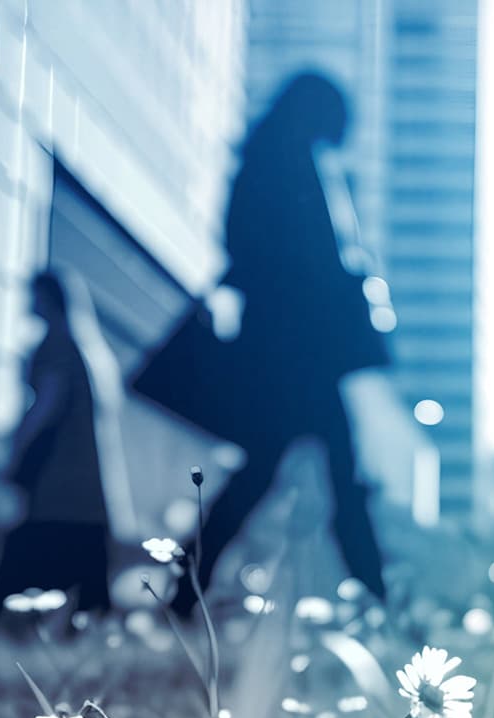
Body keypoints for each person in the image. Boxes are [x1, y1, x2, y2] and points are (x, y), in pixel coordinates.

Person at [132, 72, 389, 613]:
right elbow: (284, 262)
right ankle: (378, 600)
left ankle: (184, 595)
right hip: (294, 362)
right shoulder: (289, 170)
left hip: (287, 359)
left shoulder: (279, 165)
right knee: (332, 481)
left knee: (269, 480)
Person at [0, 268, 123, 616]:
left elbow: (46, 404)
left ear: (48, 298)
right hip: (86, 483)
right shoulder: (89, 350)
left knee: (33, 551)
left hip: (59, 479)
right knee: (82, 568)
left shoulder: (57, 345)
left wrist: (15, 450)